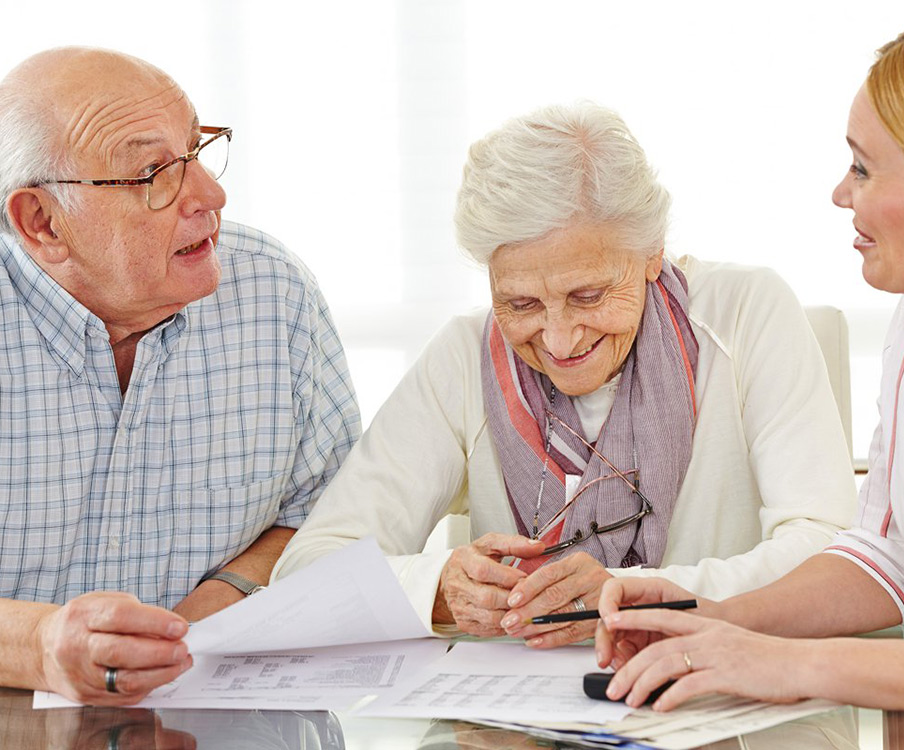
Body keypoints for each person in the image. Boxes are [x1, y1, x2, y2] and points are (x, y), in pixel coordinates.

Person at [273, 102, 856, 647]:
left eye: (588, 295)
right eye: (521, 304)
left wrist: (630, 596)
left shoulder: (747, 312)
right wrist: (433, 590)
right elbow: (304, 571)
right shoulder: (463, 355)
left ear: (651, 253)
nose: (558, 340)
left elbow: (830, 554)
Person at [594, 13, 904, 714]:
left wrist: (792, 665)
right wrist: (716, 619)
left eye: (863, 168)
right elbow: (892, 557)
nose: (841, 193)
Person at [0, 48, 361, 705]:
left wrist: (227, 597)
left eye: (196, 151)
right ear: (43, 222)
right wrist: (38, 646)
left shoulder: (271, 291)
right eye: (152, 173)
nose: (211, 197)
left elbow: (331, 513)